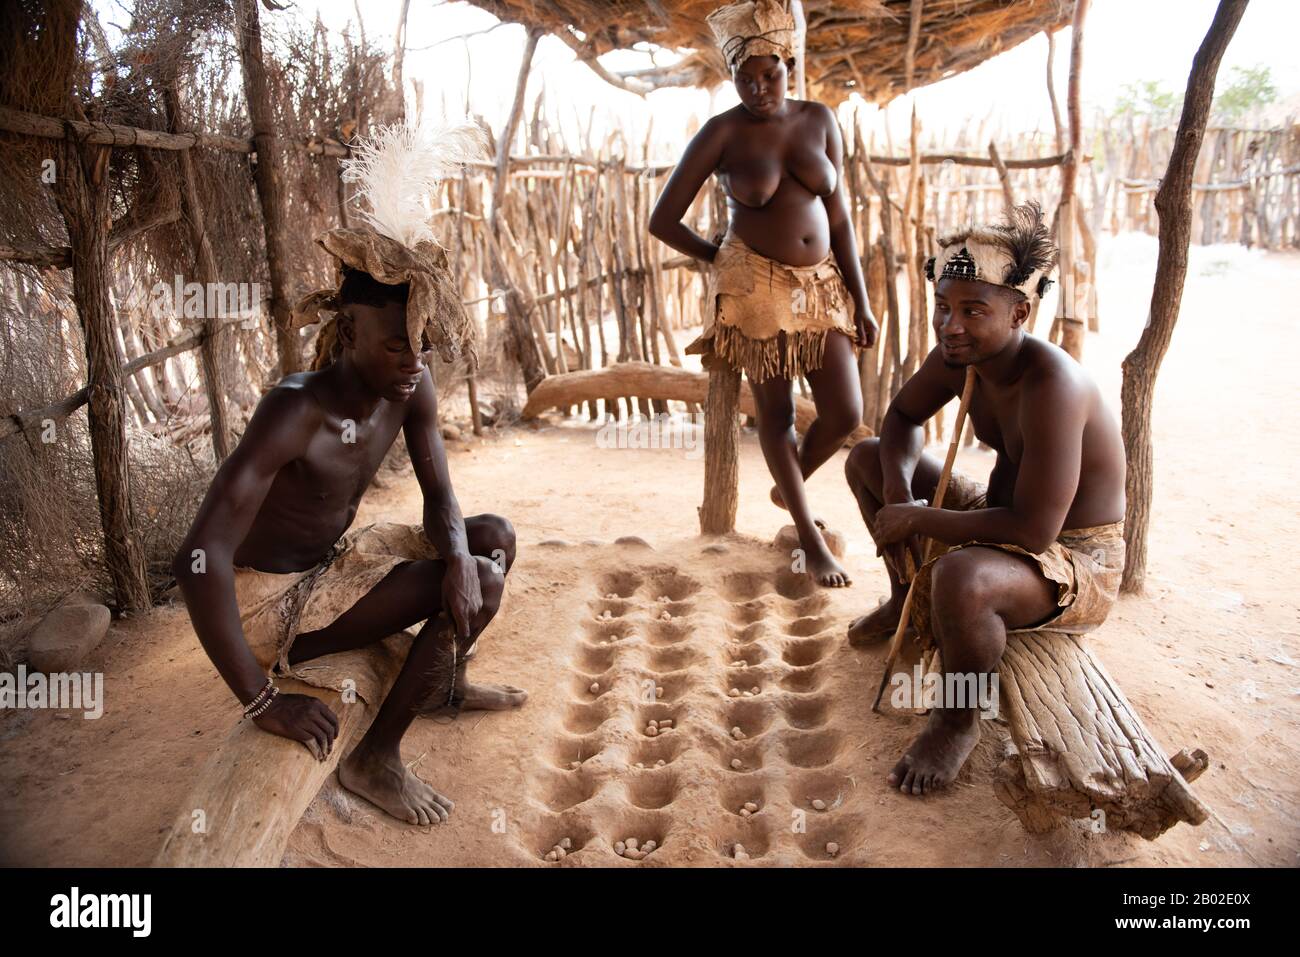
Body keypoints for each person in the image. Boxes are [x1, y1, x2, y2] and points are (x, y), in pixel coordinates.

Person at [174, 124, 525, 826]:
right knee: (481, 580)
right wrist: (261, 697)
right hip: (272, 610)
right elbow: (197, 557)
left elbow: (442, 498)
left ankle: (440, 682)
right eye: (395, 343)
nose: (413, 360)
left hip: (334, 568)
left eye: (421, 343)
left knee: (491, 539)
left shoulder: (409, 385)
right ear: (350, 327)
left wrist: (455, 553)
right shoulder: (295, 411)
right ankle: (375, 758)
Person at [843, 202, 1127, 795]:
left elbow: (1033, 531)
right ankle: (904, 597)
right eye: (943, 307)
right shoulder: (960, 357)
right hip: (999, 519)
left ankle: (956, 719)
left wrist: (918, 517)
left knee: (961, 577)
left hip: (1073, 560)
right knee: (868, 457)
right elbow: (899, 420)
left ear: (1019, 311)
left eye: (974, 310)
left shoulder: (1053, 385)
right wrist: (897, 496)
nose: (951, 324)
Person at [649, 0, 878, 587]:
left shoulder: (820, 119)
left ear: (789, 63)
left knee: (847, 412)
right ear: (730, 77)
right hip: (755, 286)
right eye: (744, 78)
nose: (757, 88)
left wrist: (863, 298)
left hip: (822, 282)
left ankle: (789, 485)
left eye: (769, 74)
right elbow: (664, 219)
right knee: (775, 415)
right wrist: (717, 257)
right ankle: (810, 539)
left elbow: (842, 218)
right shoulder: (722, 132)